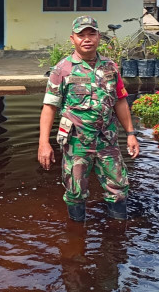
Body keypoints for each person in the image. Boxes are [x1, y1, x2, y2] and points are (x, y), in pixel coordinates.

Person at [38, 16, 140, 222]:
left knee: (118, 188)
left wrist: (130, 134)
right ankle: (76, 238)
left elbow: (120, 100)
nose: (87, 39)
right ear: (72, 38)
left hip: (107, 140)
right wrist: (43, 143)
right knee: (75, 192)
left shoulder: (110, 67)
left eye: (91, 34)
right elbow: (49, 107)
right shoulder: (62, 70)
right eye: (81, 35)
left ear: (98, 37)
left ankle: (117, 235)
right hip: (77, 142)